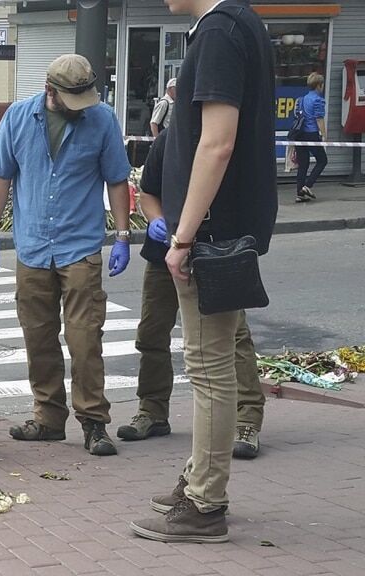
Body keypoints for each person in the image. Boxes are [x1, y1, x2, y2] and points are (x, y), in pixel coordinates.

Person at [130, 0, 277, 544]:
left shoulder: (218, 31)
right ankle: (197, 479)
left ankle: (204, 505)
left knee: (210, 370)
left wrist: (183, 234)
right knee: (211, 364)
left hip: (211, 236)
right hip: (226, 228)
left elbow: (217, 142)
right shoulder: (239, 23)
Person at [0, 54, 133, 457]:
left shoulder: (101, 120)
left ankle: (94, 422)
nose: (83, 106)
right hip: (32, 246)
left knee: (85, 339)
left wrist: (122, 235)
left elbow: (117, 178)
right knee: (38, 336)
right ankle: (48, 418)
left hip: (79, 245)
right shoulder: (17, 118)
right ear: (50, 91)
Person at [118, 128, 266, 461]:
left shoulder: (230, 140)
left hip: (219, 252)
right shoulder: (169, 140)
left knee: (235, 338)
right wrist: (155, 221)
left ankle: (247, 419)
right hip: (165, 254)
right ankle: (152, 410)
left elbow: (253, 195)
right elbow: (148, 194)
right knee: (152, 333)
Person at [295, 72, 328, 202]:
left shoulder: (301, 99)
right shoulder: (318, 100)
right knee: (322, 160)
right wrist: (324, 135)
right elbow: (319, 119)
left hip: (299, 134)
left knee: (303, 164)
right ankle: (307, 186)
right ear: (319, 85)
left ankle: (299, 194)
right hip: (311, 134)